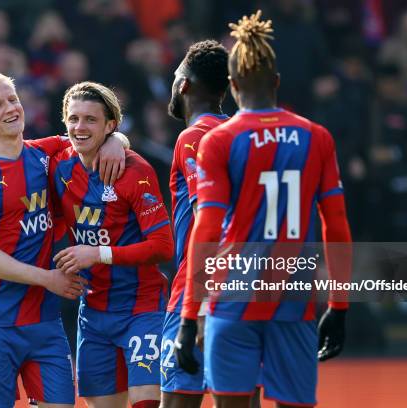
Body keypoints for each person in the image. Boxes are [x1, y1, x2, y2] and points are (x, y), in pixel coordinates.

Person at [175, 11, 352, 408]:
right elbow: (336, 226)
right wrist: (339, 305)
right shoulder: (316, 137)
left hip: (232, 298)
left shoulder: (219, 141)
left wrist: (190, 314)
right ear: (275, 82)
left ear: (233, 86)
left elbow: (206, 229)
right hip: (293, 298)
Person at [0, 71, 127, 408]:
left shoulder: (48, 153)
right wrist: (47, 279)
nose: (10, 108)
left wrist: (115, 142)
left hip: (45, 323)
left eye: (12, 99)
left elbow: (93, 135)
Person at [51, 81, 173, 408]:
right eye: (73, 119)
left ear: (110, 125)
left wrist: (98, 254)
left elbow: (164, 246)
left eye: (91, 120)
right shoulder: (57, 165)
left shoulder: (135, 171)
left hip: (142, 308)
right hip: (93, 313)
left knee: (146, 402)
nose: (80, 127)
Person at [162, 40, 229, 408]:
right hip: (245, 291)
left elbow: (209, 218)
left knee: (176, 401)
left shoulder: (193, 138)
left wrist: (193, 309)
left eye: (175, 77)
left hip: (198, 290)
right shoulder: (240, 132)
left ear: (184, 85)